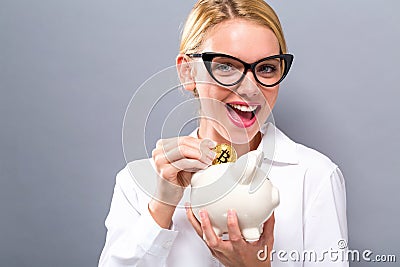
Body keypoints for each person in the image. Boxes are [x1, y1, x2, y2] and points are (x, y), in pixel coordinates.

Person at [99, 0, 348, 266]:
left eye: (266, 68)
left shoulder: (314, 177)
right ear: (187, 72)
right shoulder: (135, 184)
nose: (250, 89)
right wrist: (161, 208)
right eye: (226, 66)